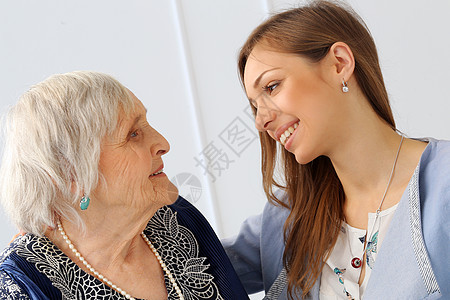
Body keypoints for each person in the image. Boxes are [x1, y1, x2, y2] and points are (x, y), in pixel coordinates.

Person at [222, 1, 450, 299]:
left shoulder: (443, 184)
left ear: (339, 63)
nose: (260, 120)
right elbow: (182, 267)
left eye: (272, 86)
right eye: (254, 105)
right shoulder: (287, 218)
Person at [0, 71, 248, 299]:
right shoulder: (23, 285)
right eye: (133, 134)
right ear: (71, 174)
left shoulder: (176, 220)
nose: (163, 143)